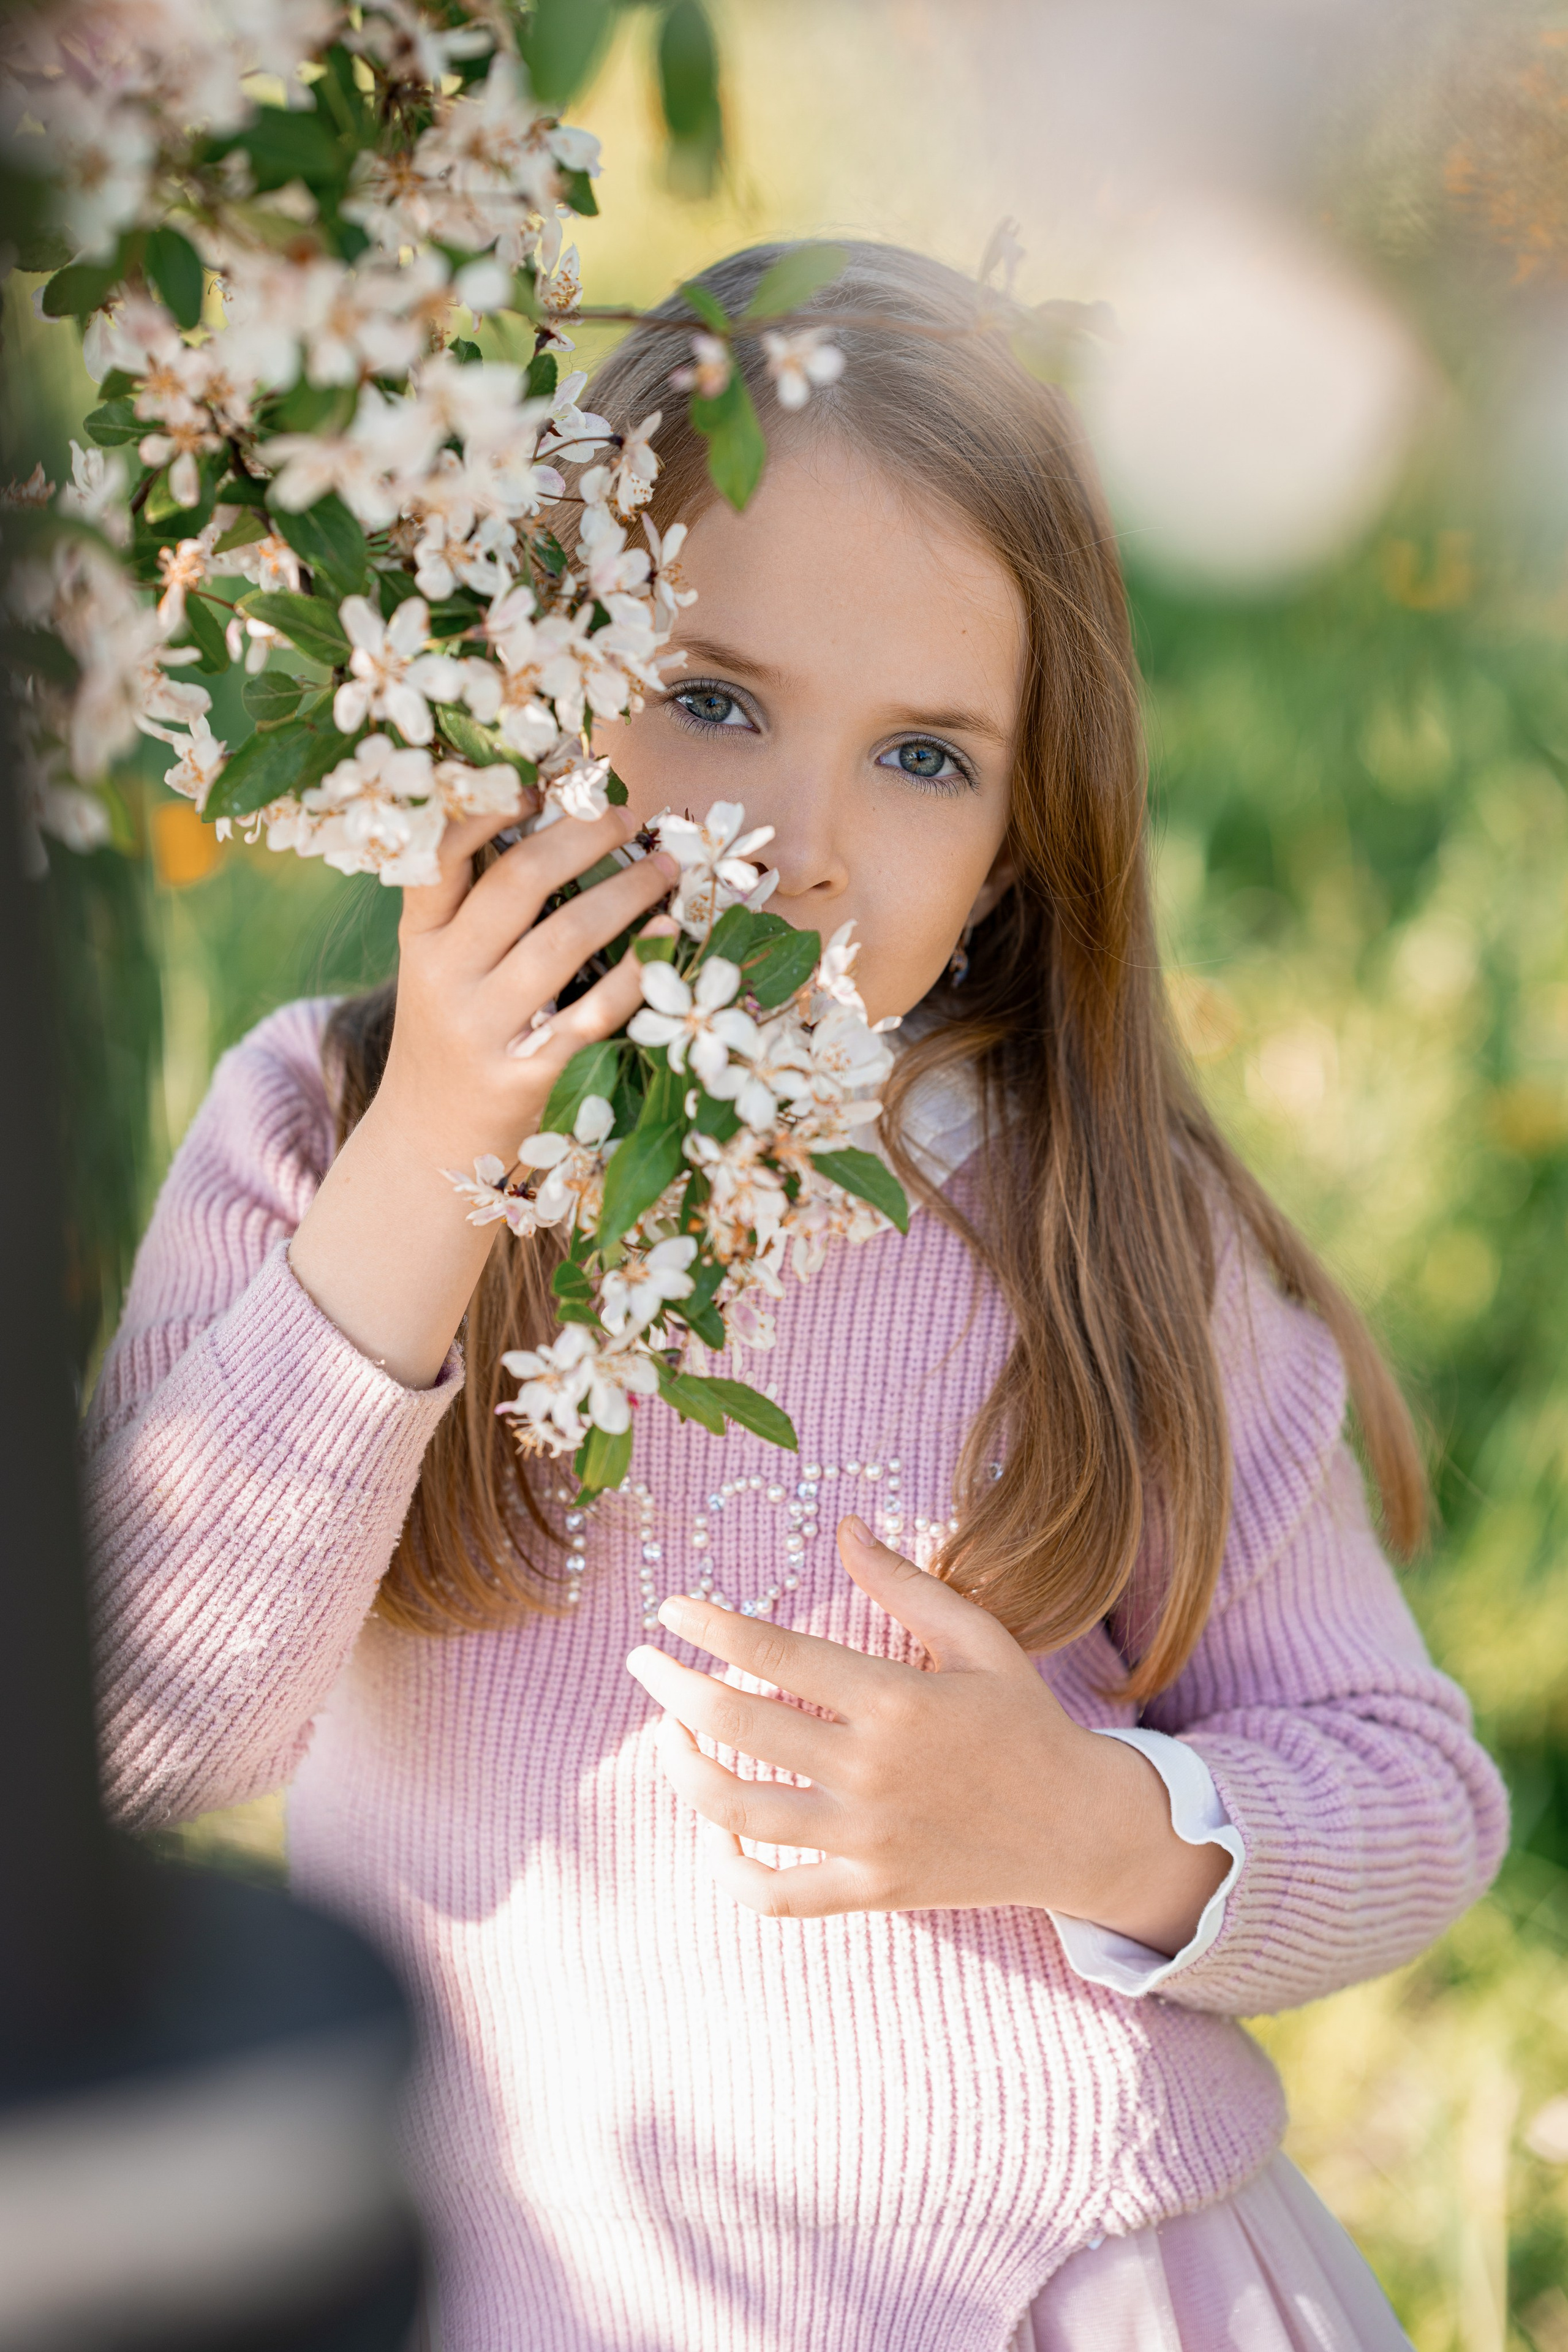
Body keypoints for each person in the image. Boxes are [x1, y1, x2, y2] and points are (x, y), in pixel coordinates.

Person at [86, 242, 1508, 2351]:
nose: (795, 842)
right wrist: (438, 1155)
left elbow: (1414, 1790)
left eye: (925, 758)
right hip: (525, 2287)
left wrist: (1090, 1825)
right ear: (532, 682)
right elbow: (127, 1728)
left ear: (1028, 837)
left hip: (1068, 2285)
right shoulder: (333, 1127)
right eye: (715, 699)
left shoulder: (1107, 1228)